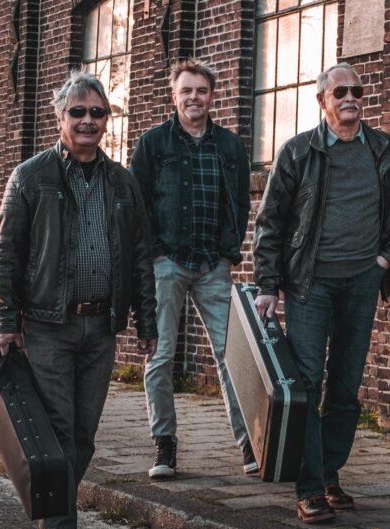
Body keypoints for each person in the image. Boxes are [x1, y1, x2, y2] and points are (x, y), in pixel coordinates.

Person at [0, 71, 158, 529]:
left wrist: (146, 323)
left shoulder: (123, 182)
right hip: (48, 324)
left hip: (101, 327)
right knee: (59, 427)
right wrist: (6, 321)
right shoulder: (31, 177)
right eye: (78, 112)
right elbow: (8, 254)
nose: (88, 121)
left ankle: (51, 506)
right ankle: (59, 527)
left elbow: (141, 257)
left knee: (84, 434)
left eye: (97, 113)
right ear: (59, 117)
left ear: (107, 120)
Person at [253, 63, 390, 524]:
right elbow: (270, 223)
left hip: (362, 282)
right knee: (308, 381)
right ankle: (309, 487)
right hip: (310, 283)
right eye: (340, 92)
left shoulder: (387, 151)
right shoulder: (297, 152)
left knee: (346, 386)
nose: (350, 98)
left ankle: (329, 473)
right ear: (322, 101)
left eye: (357, 92)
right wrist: (268, 285)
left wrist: (386, 259)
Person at [130, 59, 256, 480]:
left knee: (230, 355)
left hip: (212, 264)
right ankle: (164, 444)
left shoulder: (230, 146)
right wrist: (153, 254)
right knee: (160, 354)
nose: (194, 97)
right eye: (186, 90)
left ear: (212, 96)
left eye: (201, 90)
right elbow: (136, 205)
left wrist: (228, 251)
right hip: (166, 262)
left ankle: (249, 442)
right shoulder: (153, 144)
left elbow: (240, 203)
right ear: (174, 95)